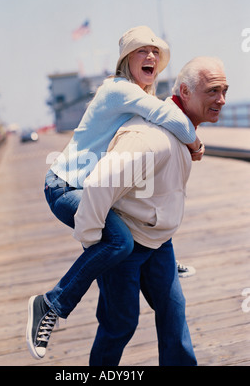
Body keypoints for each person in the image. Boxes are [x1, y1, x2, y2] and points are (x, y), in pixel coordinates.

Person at [26, 26, 203, 360]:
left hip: (106, 195)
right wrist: (194, 140)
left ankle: (157, 256)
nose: (150, 57)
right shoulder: (116, 89)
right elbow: (168, 115)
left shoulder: (142, 98)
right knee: (119, 242)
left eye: (154, 52)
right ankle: (51, 303)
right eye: (141, 51)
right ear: (126, 59)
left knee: (164, 297)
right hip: (67, 186)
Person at [73, 56, 228, 366]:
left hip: (158, 240)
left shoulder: (179, 129)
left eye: (224, 90)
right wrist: (94, 246)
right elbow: (100, 184)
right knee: (120, 325)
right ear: (185, 91)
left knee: (173, 311)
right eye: (212, 91)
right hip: (125, 244)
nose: (221, 100)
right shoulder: (153, 136)